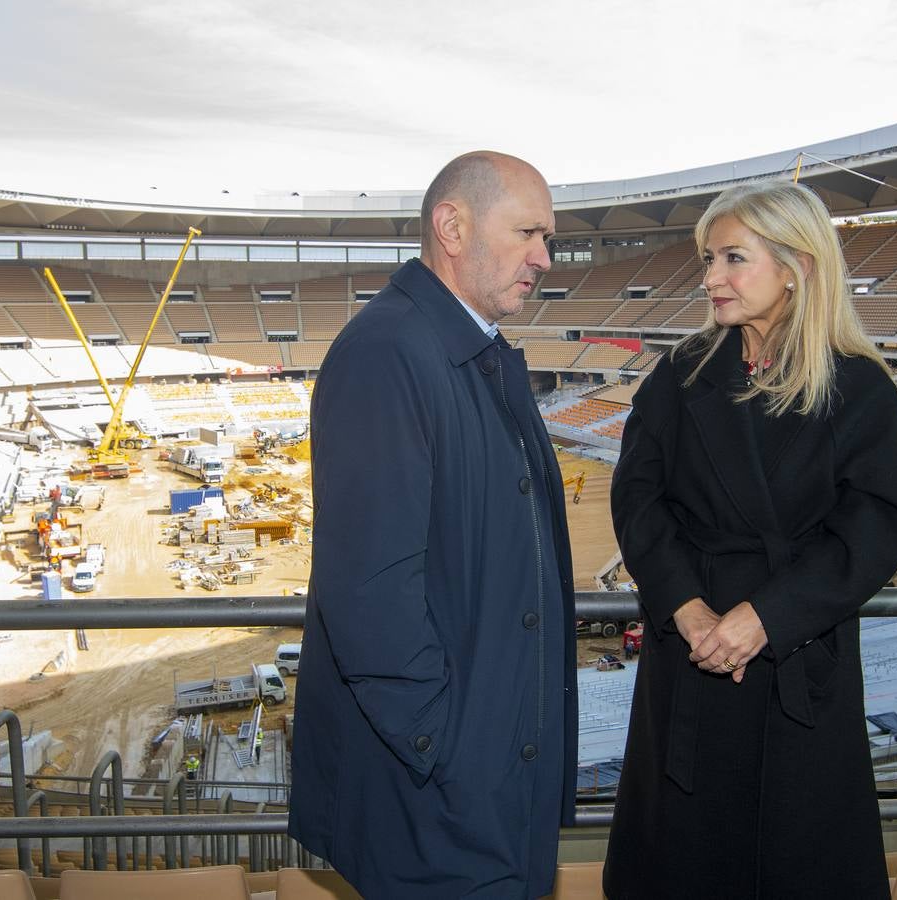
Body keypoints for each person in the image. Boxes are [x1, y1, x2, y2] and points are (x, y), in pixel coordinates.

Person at [604, 181, 897, 899]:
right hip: (690, 657)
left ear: (795, 266)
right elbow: (637, 497)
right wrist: (685, 606)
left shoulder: (860, 386)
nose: (710, 278)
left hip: (797, 665)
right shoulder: (680, 373)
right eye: (708, 259)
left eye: (732, 258)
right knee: (680, 860)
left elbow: (876, 523)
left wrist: (765, 618)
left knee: (795, 860)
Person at [289, 151, 577, 899]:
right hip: (441, 794)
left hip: (480, 782)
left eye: (545, 238)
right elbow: (369, 591)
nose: (544, 258)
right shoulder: (387, 354)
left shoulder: (463, 352)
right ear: (451, 225)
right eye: (526, 233)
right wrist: (446, 745)